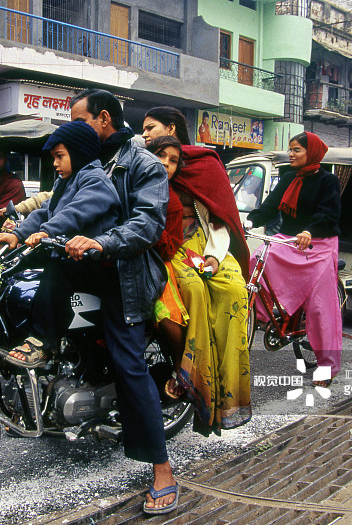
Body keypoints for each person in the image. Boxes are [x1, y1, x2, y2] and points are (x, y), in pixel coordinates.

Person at [30, 89, 176, 514]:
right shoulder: (79, 165)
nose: (71, 129)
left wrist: (99, 242)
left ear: (104, 119)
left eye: (80, 119)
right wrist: (20, 232)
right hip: (84, 267)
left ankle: (163, 469)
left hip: (125, 277)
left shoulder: (143, 164)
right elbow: (52, 209)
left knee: (129, 365)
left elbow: (146, 224)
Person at [141, 106, 251, 438]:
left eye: (150, 127)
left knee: (235, 292)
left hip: (207, 244)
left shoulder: (205, 164)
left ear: (171, 129)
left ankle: (230, 396)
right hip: (171, 246)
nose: (144, 134)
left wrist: (216, 259)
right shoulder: (144, 161)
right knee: (194, 291)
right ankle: (194, 378)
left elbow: (220, 217)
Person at [0, 121, 120, 364]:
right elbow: (44, 211)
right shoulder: (65, 181)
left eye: (60, 156)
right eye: (53, 157)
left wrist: (46, 232)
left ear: (79, 151)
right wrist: (17, 235)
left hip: (95, 264)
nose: (55, 163)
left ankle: (43, 341)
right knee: (16, 271)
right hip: (70, 258)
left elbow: (75, 212)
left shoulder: (96, 181)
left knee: (56, 270)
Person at [246, 131, 341, 387]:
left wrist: (310, 231)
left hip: (318, 244)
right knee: (255, 262)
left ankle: (326, 367)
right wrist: (249, 220)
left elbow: (328, 213)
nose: (291, 154)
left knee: (321, 308)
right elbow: (269, 207)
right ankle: (264, 317)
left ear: (312, 153)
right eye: (290, 149)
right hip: (289, 241)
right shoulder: (288, 178)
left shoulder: (328, 181)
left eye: (297, 149)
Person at [145, 136, 189, 386]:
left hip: (157, 263)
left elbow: (171, 245)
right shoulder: (133, 184)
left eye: (173, 161)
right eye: (160, 155)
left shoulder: (172, 203)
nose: (165, 163)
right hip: (125, 255)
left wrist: (148, 233)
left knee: (168, 319)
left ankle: (180, 368)